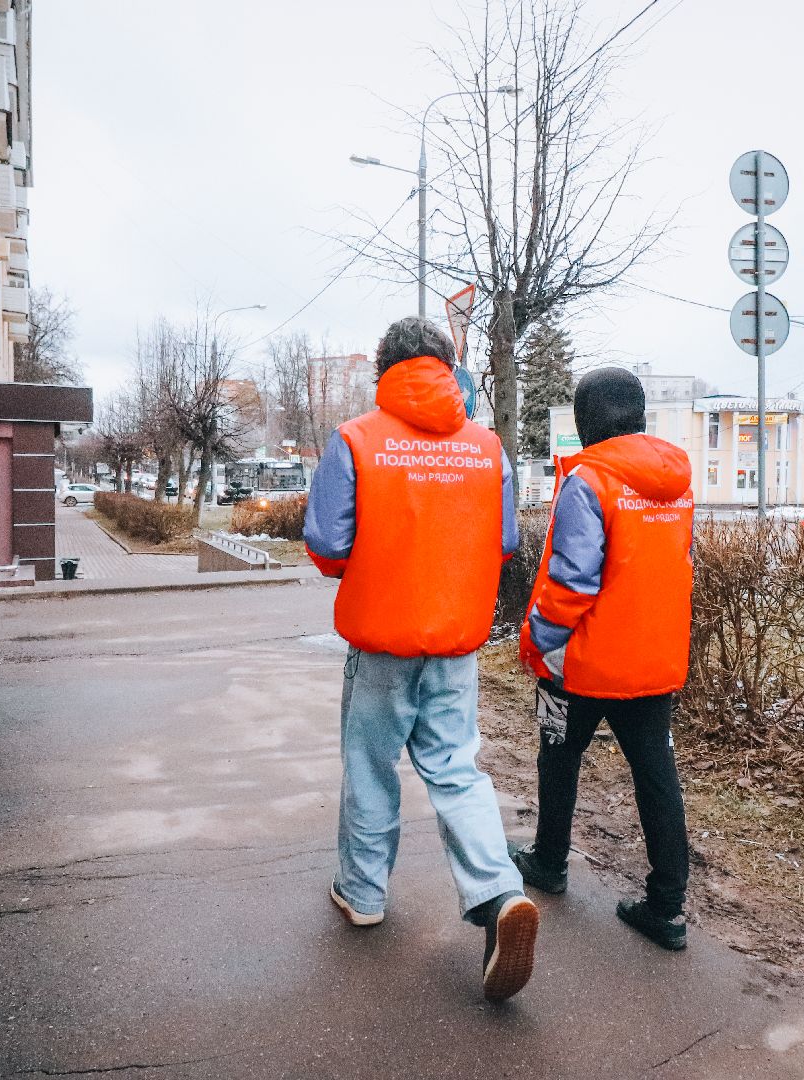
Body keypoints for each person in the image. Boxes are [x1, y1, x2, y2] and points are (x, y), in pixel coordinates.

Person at [304, 315, 539, 1002]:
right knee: (458, 772)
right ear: (447, 365)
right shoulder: (486, 447)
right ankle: (498, 897)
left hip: (381, 642)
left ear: (386, 369)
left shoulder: (357, 440)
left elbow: (326, 547)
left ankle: (363, 893)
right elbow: (501, 543)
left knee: (371, 769)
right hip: (455, 644)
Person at [509, 367, 696, 951]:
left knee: (558, 757)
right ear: (638, 415)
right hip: (653, 661)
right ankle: (666, 909)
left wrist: (535, 640)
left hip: (582, 664)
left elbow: (571, 582)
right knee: (657, 778)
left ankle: (549, 861)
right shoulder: (678, 481)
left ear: (585, 420)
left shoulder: (589, 482)